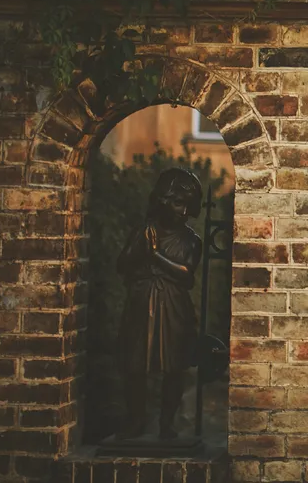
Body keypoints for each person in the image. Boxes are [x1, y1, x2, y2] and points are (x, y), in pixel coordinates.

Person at [114, 168, 204, 440]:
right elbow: (122, 264)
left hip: (174, 305)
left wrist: (155, 257)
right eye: (178, 203)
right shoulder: (144, 231)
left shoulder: (191, 240)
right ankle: (135, 422)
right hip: (142, 302)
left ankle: (167, 425)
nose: (184, 211)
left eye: (189, 206)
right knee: (134, 365)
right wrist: (141, 250)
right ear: (164, 200)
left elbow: (187, 276)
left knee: (174, 367)